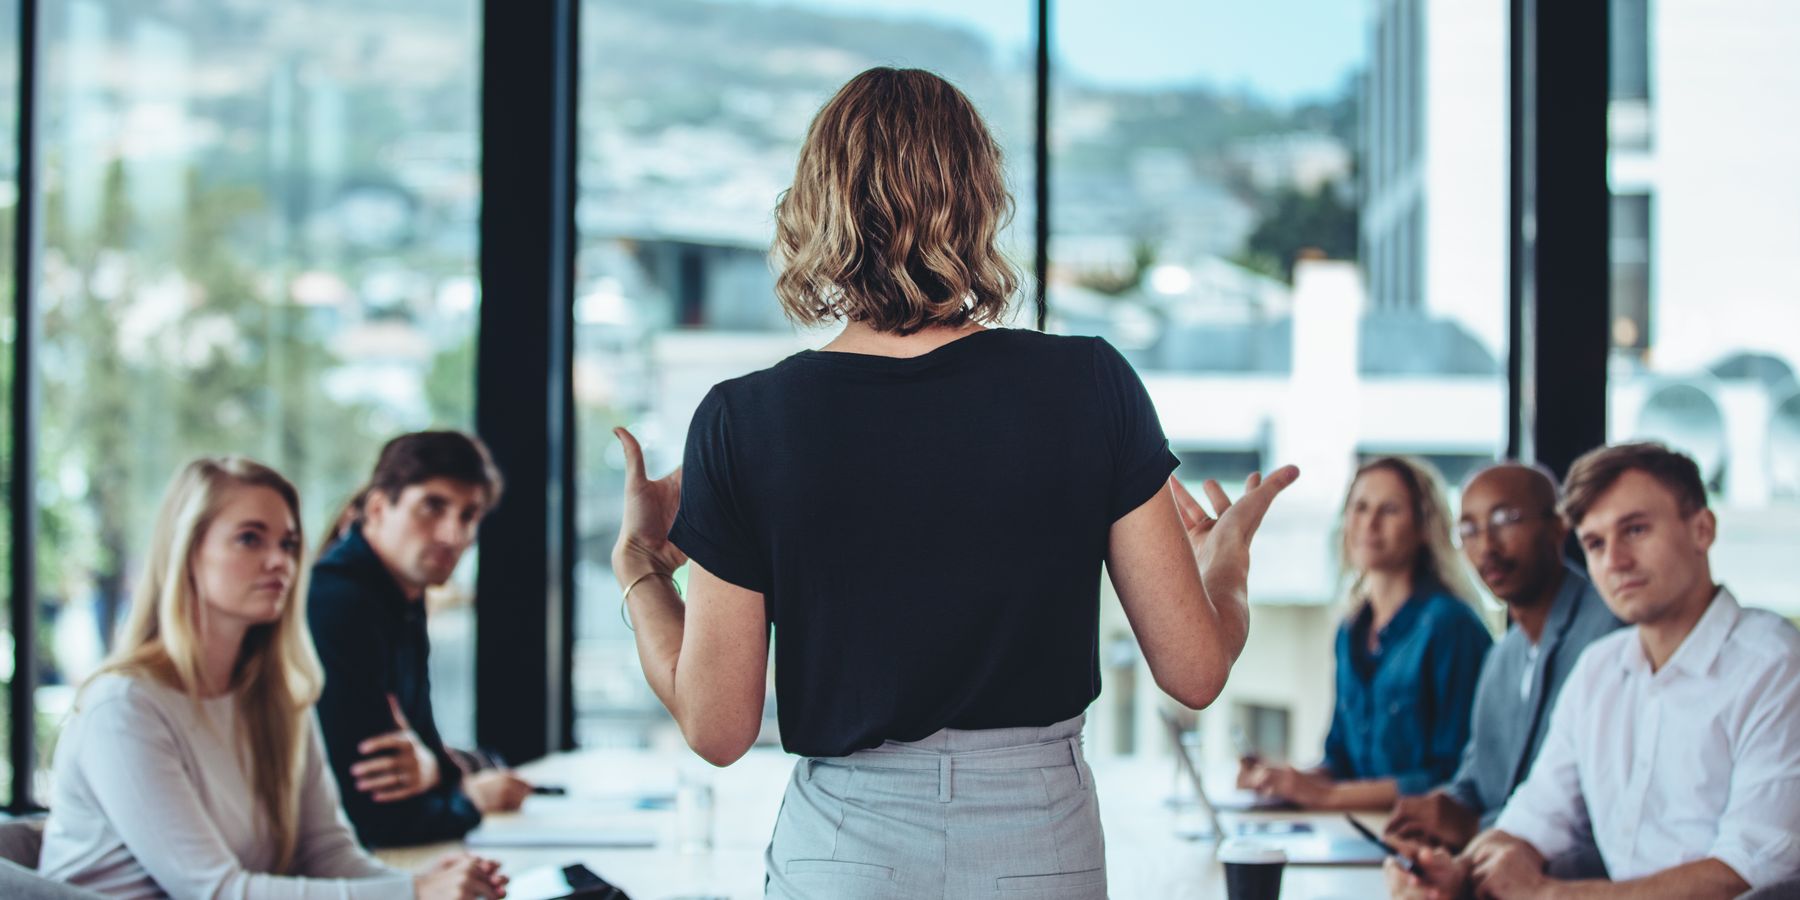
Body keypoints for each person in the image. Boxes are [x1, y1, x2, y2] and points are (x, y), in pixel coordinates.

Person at [609, 66, 1297, 898]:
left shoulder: (744, 419)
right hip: (1040, 839)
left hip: (845, 851)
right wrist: (1225, 563)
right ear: (978, 199)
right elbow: (1195, 672)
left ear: (818, 206)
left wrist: (642, 564)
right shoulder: (1090, 383)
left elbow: (717, 728)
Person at [36, 457, 506, 899]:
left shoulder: (278, 695)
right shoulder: (125, 706)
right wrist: (410, 893)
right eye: (249, 538)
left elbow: (328, 854)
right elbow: (216, 891)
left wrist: (429, 884)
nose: (279, 561)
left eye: (288, 544)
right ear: (188, 551)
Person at [1388, 442, 1800, 899]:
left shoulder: (1774, 666)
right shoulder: (1599, 669)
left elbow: (1751, 871)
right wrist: (1458, 872)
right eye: (1595, 543)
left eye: (1636, 530)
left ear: (1702, 530)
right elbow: (1531, 821)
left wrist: (1550, 894)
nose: (1615, 561)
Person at [1384, 463, 1621, 862]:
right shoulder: (1502, 655)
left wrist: (1475, 829)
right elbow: (1474, 782)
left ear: (1559, 526)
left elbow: (1599, 818)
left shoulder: (1610, 635)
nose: (1486, 546)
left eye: (1505, 519)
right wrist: (1439, 810)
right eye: (1469, 530)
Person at [309, 432, 532, 848]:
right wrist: (471, 798)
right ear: (377, 507)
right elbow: (374, 814)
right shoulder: (339, 604)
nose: (453, 535)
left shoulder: (400, 597)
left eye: (469, 515)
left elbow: (425, 749)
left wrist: (437, 769)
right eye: (432, 506)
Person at [1239, 456, 1492, 810]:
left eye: (1389, 510)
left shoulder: (1452, 625)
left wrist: (1326, 796)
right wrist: (1285, 780)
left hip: (1421, 841)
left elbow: (1453, 776)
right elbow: (1339, 761)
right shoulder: (1350, 630)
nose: (1369, 524)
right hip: (1357, 831)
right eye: (1360, 507)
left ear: (1424, 527)